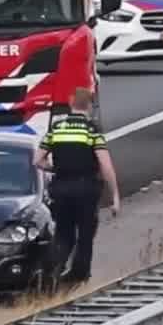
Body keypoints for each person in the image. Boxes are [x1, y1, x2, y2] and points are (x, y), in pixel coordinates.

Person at [32, 87, 121, 284]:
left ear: (71, 103)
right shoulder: (91, 130)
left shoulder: (57, 128)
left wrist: (55, 169)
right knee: (86, 233)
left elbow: (38, 160)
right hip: (85, 188)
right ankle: (79, 275)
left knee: (64, 232)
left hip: (61, 188)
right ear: (89, 106)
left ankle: (54, 271)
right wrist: (115, 196)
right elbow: (106, 166)